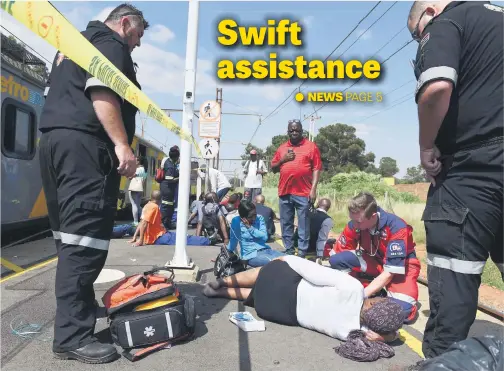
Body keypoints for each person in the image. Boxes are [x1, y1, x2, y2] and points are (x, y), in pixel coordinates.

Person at [38, 4, 149, 363]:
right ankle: (72, 337)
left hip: (55, 144)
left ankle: (76, 315)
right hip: (86, 148)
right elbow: (103, 92)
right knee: (85, 242)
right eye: (137, 37)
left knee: (69, 240)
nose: (136, 45)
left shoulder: (72, 45)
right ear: (126, 23)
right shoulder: (111, 43)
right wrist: (121, 145)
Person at [407, 0, 503, 359]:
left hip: (473, 169)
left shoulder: (447, 21)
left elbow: (436, 89)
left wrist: (426, 145)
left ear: (429, 12)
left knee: (454, 288)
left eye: (418, 37)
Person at [203, 255, 405, 362]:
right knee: (261, 295)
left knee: (272, 272)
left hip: (283, 285)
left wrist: (284, 258)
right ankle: (221, 293)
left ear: (373, 303)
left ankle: (223, 281)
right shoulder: (353, 333)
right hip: (277, 311)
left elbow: (309, 270)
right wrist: (385, 335)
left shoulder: (353, 289)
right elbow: (392, 335)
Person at [329, 192, 420, 324]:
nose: (354, 225)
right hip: (374, 262)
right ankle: (374, 292)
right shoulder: (354, 224)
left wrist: (360, 296)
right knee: (337, 260)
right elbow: (338, 253)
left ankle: (371, 294)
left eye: (358, 221)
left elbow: (390, 272)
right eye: (352, 219)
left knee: (402, 311)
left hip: (400, 268)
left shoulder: (397, 227)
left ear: (372, 216)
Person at [271, 119, 322, 257]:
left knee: (303, 224)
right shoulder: (281, 148)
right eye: (291, 130)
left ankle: (302, 252)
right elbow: (273, 168)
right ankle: (288, 250)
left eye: (297, 130)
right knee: (286, 223)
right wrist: (283, 160)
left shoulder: (311, 147)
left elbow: (317, 168)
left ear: (301, 131)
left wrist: (313, 189)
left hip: (303, 192)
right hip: (285, 191)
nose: (294, 132)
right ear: (288, 131)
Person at [128, 191, 210, 246]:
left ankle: (206, 239)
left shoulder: (147, 205)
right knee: (184, 240)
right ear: (160, 200)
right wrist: (141, 240)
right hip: (158, 237)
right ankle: (208, 241)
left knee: (182, 236)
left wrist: (135, 237)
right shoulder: (154, 207)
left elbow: (141, 222)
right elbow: (144, 223)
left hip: (161, 234)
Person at [227, 200, 284, 267]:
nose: (254, 218)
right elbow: (233, 240)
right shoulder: (236, 221)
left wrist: (250, 228)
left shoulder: (259, 218)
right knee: (276, 263)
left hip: (266, 250)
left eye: (255, 214)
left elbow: (264, 237)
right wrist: (227, 252)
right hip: (251, 255)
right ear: (243, 217)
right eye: (250, 217)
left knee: (290, 259)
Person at [158, 145, 180, 230]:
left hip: (167, 188)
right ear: (176, 157)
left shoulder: (167, 160)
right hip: (167, 188)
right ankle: (163, 224)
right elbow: (170, 179)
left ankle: (167, 223)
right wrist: (180, 177)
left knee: (169, 206)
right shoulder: (170, 165)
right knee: (166, 206)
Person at [128, 156, 147, 225]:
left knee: (134, 205)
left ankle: (135, 222)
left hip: (134, 188)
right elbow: (144, 179)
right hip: (140, 189)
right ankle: (144, 219)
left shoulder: (138, 169)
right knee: (138, 205)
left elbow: (131, 177)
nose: (134, 162)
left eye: (135, 161)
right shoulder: (144, 169)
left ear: (138, 162)